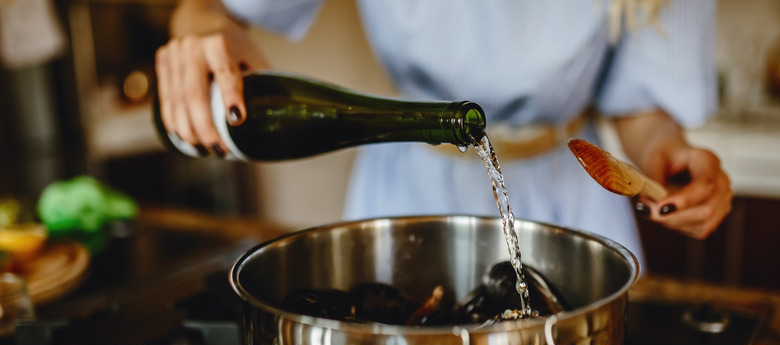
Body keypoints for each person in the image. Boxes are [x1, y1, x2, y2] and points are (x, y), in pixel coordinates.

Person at [154, 0, 733, 268]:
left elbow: (642, 107)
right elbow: (207, 8)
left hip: (571, 205)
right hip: (407, 188)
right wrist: (200, 30)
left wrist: (666, 153)